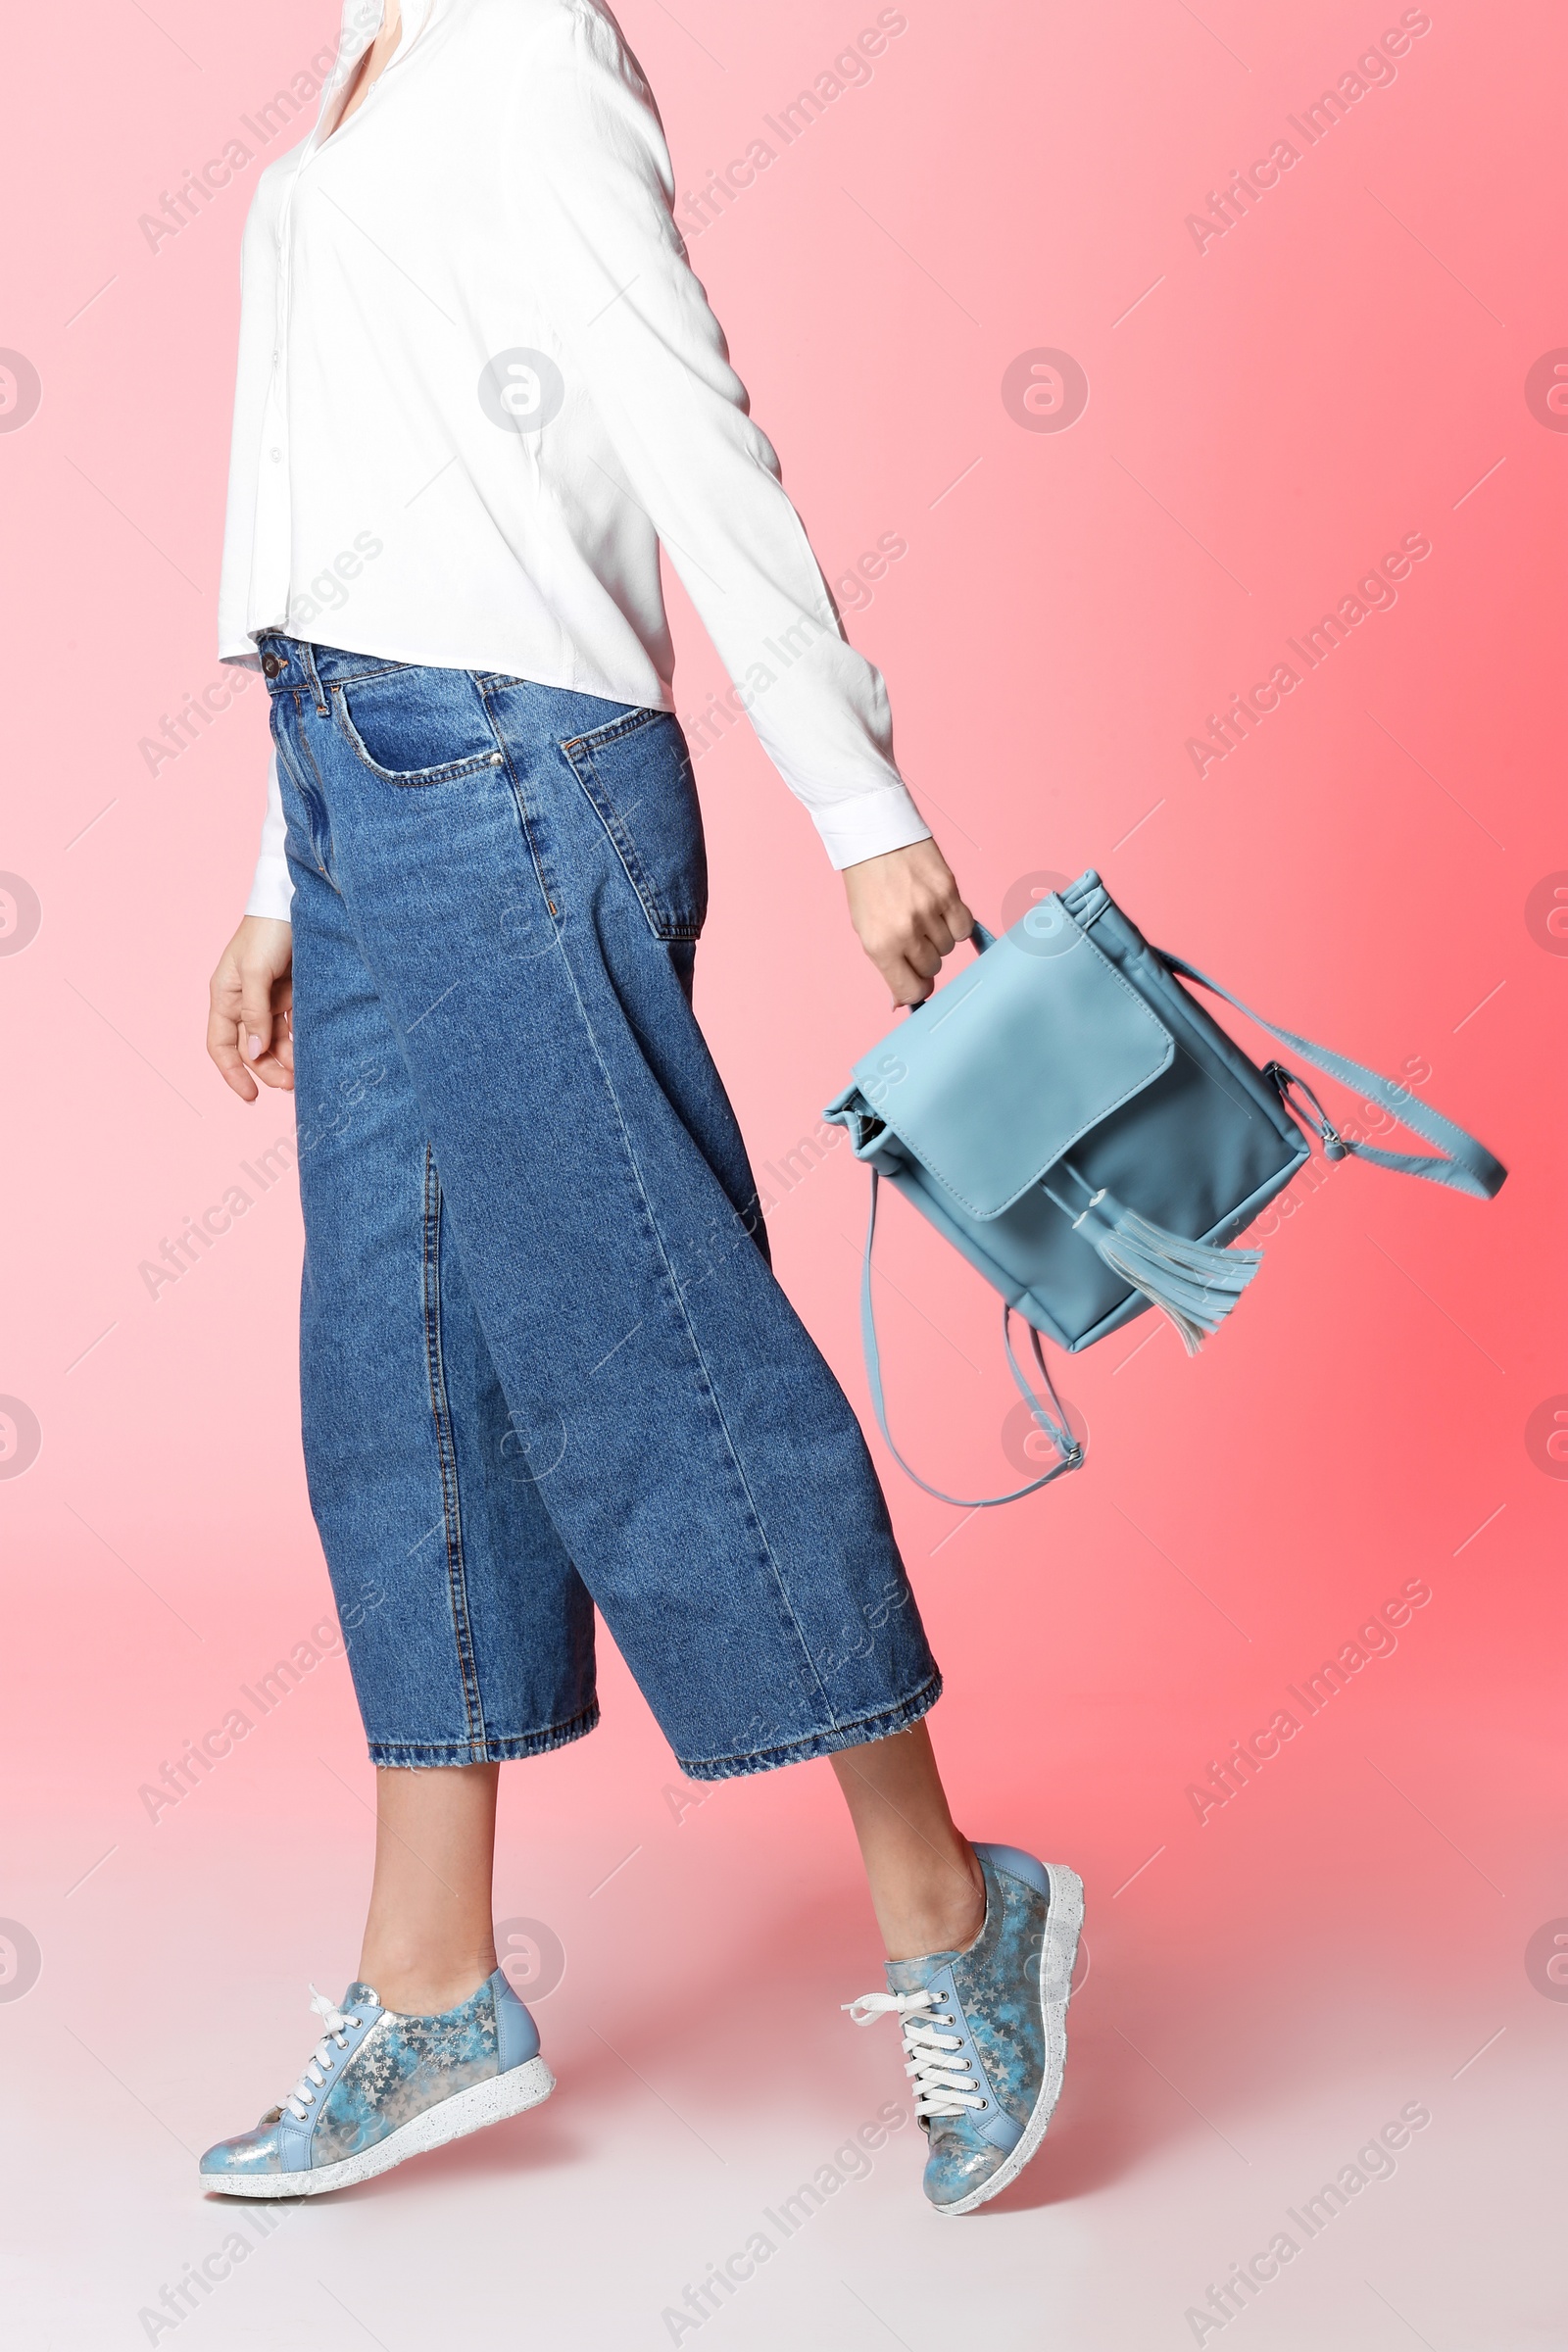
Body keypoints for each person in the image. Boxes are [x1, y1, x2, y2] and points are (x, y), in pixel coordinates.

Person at [198, 0, 1081, 2215]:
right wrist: (277, 871)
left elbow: (688, 413)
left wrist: (854, 796)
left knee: (650, 1359)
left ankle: (956, 1910)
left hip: (509, 779)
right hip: (356, 784)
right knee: (392, 1384)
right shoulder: (368, 46)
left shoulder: (517, 42)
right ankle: (430, 1988)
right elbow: (353, 472)